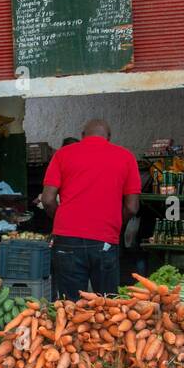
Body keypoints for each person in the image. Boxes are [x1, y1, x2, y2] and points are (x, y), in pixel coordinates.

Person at [40, 118, 141, 299]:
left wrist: (62, 220)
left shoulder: (63, 154)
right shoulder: (126, 157)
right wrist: (116, 223)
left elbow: (47, 200)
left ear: (82, 136)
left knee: (69, 307)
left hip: (67, 240)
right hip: (105, 239)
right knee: (107, 306)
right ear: (109, 137)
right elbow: (132, 207)